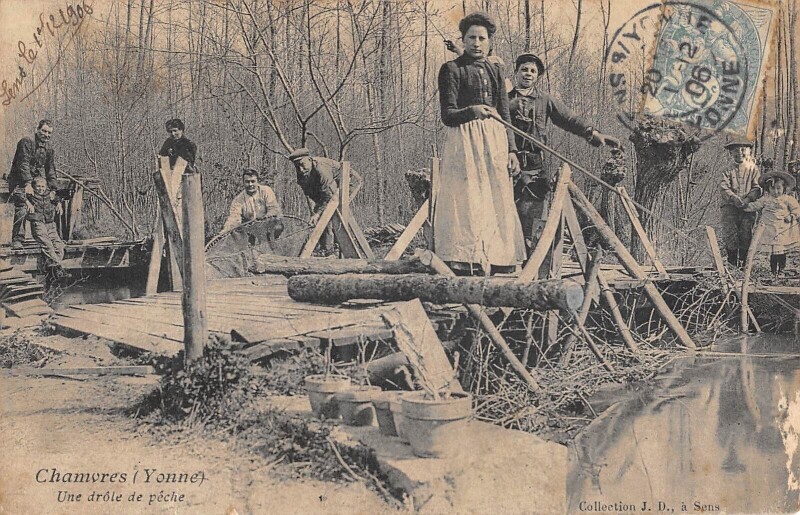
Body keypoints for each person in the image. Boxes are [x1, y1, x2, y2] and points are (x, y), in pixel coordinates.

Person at [434, 12, 525, 275]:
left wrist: (512, 150)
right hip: (464, 140)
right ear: (463, 40)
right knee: (467, 197)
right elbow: (448, 115)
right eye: (471, 38)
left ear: (489, 42)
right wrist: (472, 111)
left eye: (482, 38)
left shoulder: (495, 70)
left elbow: (505, 113)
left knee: (496, 196)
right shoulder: (451, 69)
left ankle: (499, 258)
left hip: (495, 140)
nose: (476, 43)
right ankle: (464, 258)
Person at [509, 53, 621, 256]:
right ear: (516, 72)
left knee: (534, 224)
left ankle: (534, 269)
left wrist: (593, 133)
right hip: (506, 166)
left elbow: (569, 119)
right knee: (504, 219)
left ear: (537, 76)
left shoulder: (544, 100)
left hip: (534, 169)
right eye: (524, 69)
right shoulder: (504, 98)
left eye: (533, 71)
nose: (528, 74)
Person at [288, 148, 363, 254]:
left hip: (349, 181)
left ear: (309, 159)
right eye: (297, 167)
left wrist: (318, 213)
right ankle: (326, 249)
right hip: (328, 190)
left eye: (302, 164)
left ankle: (338, 248)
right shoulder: (301, 174)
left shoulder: (321, 168)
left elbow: (329, 195)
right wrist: (316, 212)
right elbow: (312, 194)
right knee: (322, 214)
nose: (300, 169)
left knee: (334, 212)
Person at [7, 119, 58, 249]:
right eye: (44, 131)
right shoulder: (26, 142)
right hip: (18, 181)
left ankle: (50, 237)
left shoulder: (49, 148)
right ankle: (18, 239)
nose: (46, 135)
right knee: (23, 204)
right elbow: (22, 164)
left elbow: (51, 169)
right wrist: (28, 184)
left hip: (34, 181)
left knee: (52, 201)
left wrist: (53, 189)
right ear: (37, 129)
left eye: (49, 133)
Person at [742, 170, 800, 277]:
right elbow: (755, 205)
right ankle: (773, 271)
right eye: (773, 188)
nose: (776, 191)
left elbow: (797, 209)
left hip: (782, 228)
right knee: (773, 251)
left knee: (781, 250)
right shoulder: (766, 199)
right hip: (769, 228)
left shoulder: (787, 199)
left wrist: (791, 216)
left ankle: (781, 269)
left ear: (784, 188)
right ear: (768, 189)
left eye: (778, 188)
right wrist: (744, 206)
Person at [719, 139, 762, 267]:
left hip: (748, 207)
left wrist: (747, 199)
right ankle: (732, 263)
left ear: (749, 151)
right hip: (730, 207)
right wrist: (733, 198)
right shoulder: (726, 170)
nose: (740, 153)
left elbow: (757, 187)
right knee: (730, 234)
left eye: (743, 150)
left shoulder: (753, 169)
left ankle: (744, 264)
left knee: (746, 233)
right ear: (731, 153)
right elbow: (723, 187)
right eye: (736, 150)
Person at [221, 168, 284, 234]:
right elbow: (234, 218)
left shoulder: (266, 191)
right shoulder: (238, 200)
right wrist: (225, 231)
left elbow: (273, 209)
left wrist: (264, 219)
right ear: (243, 182)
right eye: (247, 182)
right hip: (250, 229)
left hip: (268, 224)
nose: (250, 184)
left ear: (257, 181)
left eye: (253, 181)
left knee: (278, 227)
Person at [27, 177, 67, 277]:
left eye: (43, 186)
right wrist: (27, 202)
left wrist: (58, 204)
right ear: (34, 187)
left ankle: (53, 269)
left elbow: (57, 197)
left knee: (59, 246)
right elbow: (18, 194)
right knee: (47, 245)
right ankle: (58, 269)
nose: (41, 189)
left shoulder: (49, 194)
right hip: (38, 223)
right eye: (38, 186)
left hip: (50, 224)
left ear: (46, 187)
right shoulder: (30, 195)